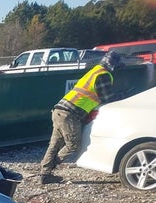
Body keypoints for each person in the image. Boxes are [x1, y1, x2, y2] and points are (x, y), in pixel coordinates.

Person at [39, 50, 124, 185]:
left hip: (59, 110)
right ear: (114, 65)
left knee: (55, 144)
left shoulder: (95, 71)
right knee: (73, 145)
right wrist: (122, 95)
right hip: (70, 114)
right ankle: (52, 164)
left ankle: (45, 174)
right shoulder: (103, 75)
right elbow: (107, 98)